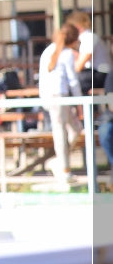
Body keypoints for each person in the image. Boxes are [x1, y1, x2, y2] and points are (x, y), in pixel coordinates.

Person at [38, 23, 82, 183]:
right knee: (61, 134)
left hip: (55, 98)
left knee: (75, 129)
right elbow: (73, 80)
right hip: (59, 97)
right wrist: (80, 101)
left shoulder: (48, 51)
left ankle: (59, 162)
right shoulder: (66, 53)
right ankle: (64, 169)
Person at [66, 10, 111, 94]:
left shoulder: (88, 38)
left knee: (71, 83)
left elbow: (79, 66)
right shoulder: (88, 38)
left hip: (100, 74)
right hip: (97, 74)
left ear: (77, 26)